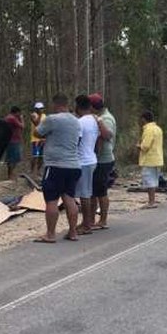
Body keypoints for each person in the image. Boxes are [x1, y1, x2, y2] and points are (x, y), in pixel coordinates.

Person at [34, 94, 82, 243]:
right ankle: (73, 232)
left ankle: (50, 234)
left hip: (55, 165)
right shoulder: (76, 121)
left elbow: (37, 132)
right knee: (69, 198)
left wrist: (36, 122)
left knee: (51, 200)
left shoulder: (52, 119)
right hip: (73, 165)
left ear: (55, 105)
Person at [73, 94, 104, 236]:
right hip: (92, 159)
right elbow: (99, 140)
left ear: (78, 107)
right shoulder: (94, 120)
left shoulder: (80, 122)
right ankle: (87, 221)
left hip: (83, 161)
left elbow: (76, 142)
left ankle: (86, 225)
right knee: (88, 193)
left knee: (84, 195)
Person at [89, 93, 115, 230]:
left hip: (103, 159)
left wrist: (98, 123)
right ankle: (92, 219)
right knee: (95, 191)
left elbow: (107, 135)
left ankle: (103, 220)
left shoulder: (106, 119)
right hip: (99, 159)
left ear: (93, 107)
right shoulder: (103, 116)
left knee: (101, 191)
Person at [138, 110, 163, 209]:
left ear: (144, 119)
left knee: (149, 181)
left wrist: (139, 146)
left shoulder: (148, 129)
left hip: (149, 159)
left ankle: (151, 202)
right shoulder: (158, 128)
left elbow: (145, 146)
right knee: (153, 180)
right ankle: (152, 200)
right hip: (157, 158)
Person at [3, 106, 24, 180]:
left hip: (14, 140)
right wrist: (21, 119)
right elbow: (22, 126)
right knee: (12, 159)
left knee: (15, 158)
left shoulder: (9, 118)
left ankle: (11, 174)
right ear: (16, 112)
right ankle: (10, 175)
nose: (20, 114)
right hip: (12, 141)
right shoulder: (11, 118)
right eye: (19, 113)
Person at [30, 102, 47, 174]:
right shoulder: (33, 115)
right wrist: (39, 115)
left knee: (41, 156)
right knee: (35, 156)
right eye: (39, 109)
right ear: (36, 109)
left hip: (43, 139)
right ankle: (32, 171)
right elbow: (36, 124)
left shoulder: (44, 116)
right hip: (35, 139)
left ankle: (38, 171)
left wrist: (45, 138)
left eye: (41, 108)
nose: (40, 110)